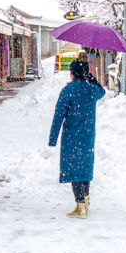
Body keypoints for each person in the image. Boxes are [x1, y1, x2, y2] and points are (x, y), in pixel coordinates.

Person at [49, 59, 105, 219]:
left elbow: (58, 115)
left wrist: (53, 138)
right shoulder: (91, 90)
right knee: (85, 168)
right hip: (87, 136)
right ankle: (86, 200)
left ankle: (80, 206)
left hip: (72, 137)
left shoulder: (68, 90)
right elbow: (102, 92)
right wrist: (91, 78)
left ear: (72, 73)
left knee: (75, 170)